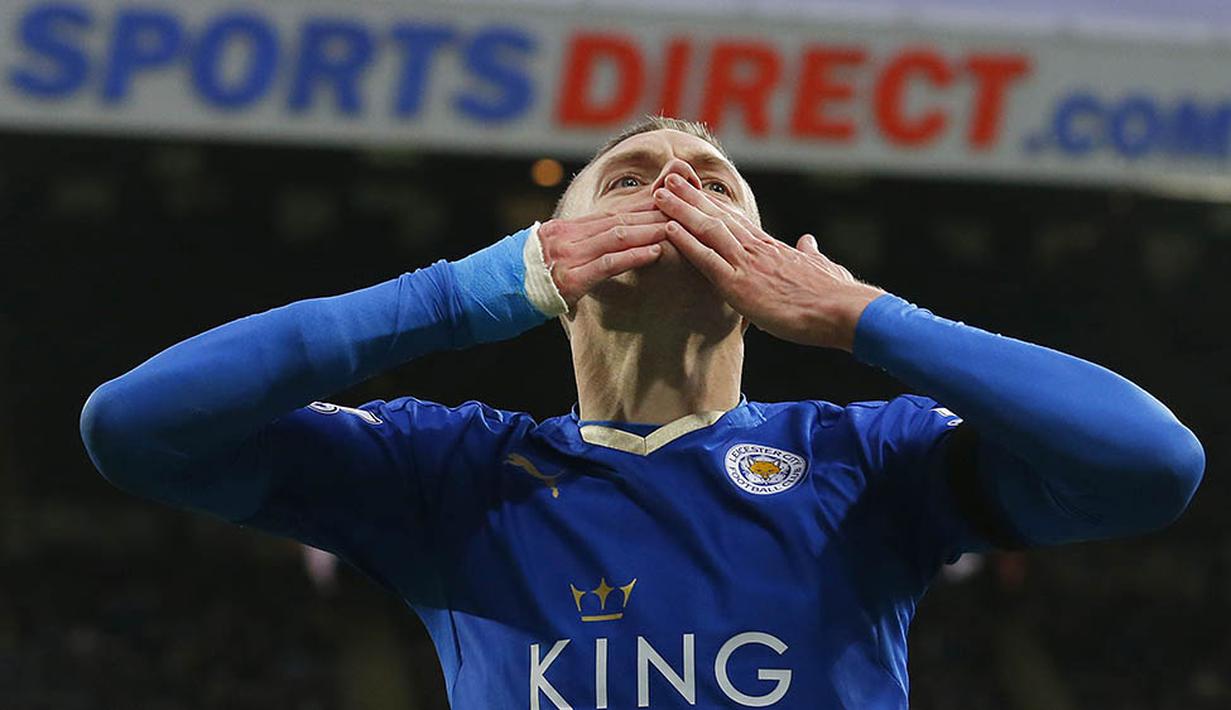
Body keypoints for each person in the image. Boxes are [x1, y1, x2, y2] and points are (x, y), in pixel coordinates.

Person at [80, 117, 1204, 709]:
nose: (676, 184)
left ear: (765, 266)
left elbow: (1151, 462)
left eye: (715, 183)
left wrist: (866, 315)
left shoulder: (871, 459)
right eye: (627, 177)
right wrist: (455, 295)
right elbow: (137, 426)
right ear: (546, 260)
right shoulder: (446, 471)